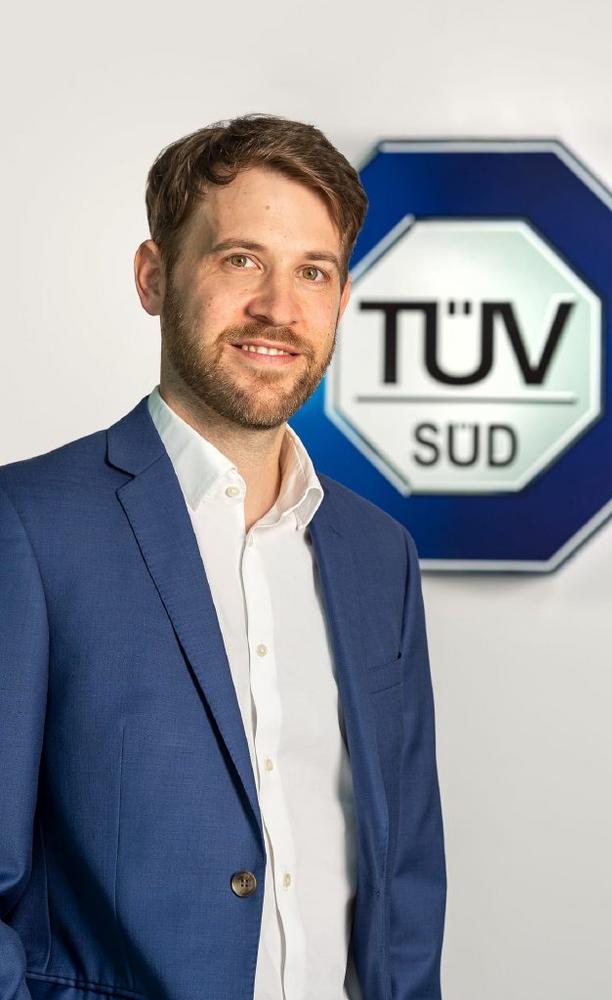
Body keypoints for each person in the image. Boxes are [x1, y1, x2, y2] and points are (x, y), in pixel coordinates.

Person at [0, 114, 446, 1000]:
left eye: (312, 271)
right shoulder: (29, 526)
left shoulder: (377, 554)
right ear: (153, 275)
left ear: (341, 299)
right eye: (241, 259)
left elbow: (403, 883)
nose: (278, 308)